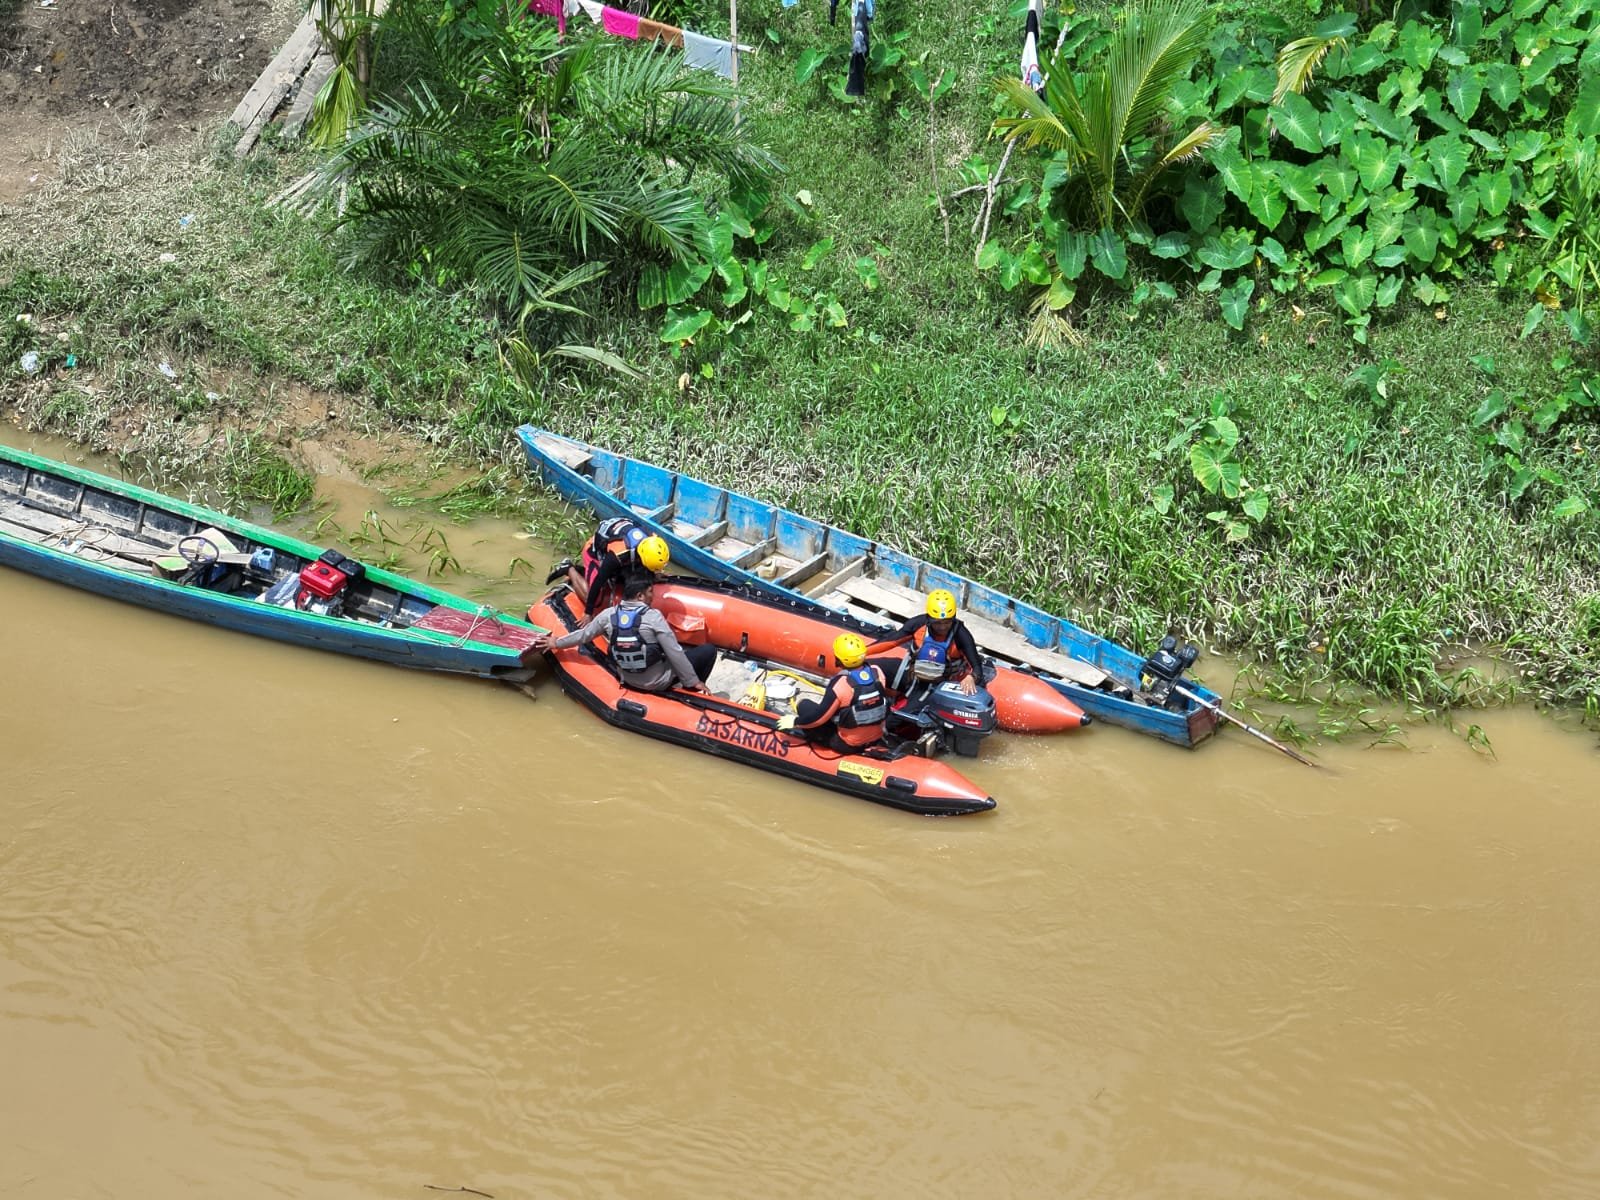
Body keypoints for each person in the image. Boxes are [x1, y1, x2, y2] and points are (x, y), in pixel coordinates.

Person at [528, 573, 715, 693]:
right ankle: (693, 693)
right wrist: (692, 681)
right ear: (640, 596)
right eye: (650, 592)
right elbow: (675, 652)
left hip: (627, 677)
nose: (653, 596)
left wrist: (556, 642)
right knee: (707, 650)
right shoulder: (654, 617)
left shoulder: (608, 615)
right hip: (656, 682)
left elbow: (584, 635)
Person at [865, 588, 992, 696]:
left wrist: (971, 677)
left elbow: (976, 667)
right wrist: (861, 653)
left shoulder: (961, 635)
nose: (942, 627)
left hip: (939, 685)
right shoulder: (917, 624)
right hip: (912, 675)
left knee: (895, 720)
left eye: (947, 622)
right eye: (937, 623)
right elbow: (891, 642)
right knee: (867, 667)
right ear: (929, 618)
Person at [777, 633, 890, 751]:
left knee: (804, 705)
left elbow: (819, 718)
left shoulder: (840, 684)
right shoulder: (877, 673)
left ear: (840, 659)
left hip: (848, 744)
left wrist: (795, 722)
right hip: (876, 737)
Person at [565, 517, 673, 616]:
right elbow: (599, 580)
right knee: (594, 599)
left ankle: (582, 572)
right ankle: (569, 569)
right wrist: (588, 612)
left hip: (619, 541)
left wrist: (653, 575)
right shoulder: (618, 555)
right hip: (594, 554)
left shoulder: (653, 539)